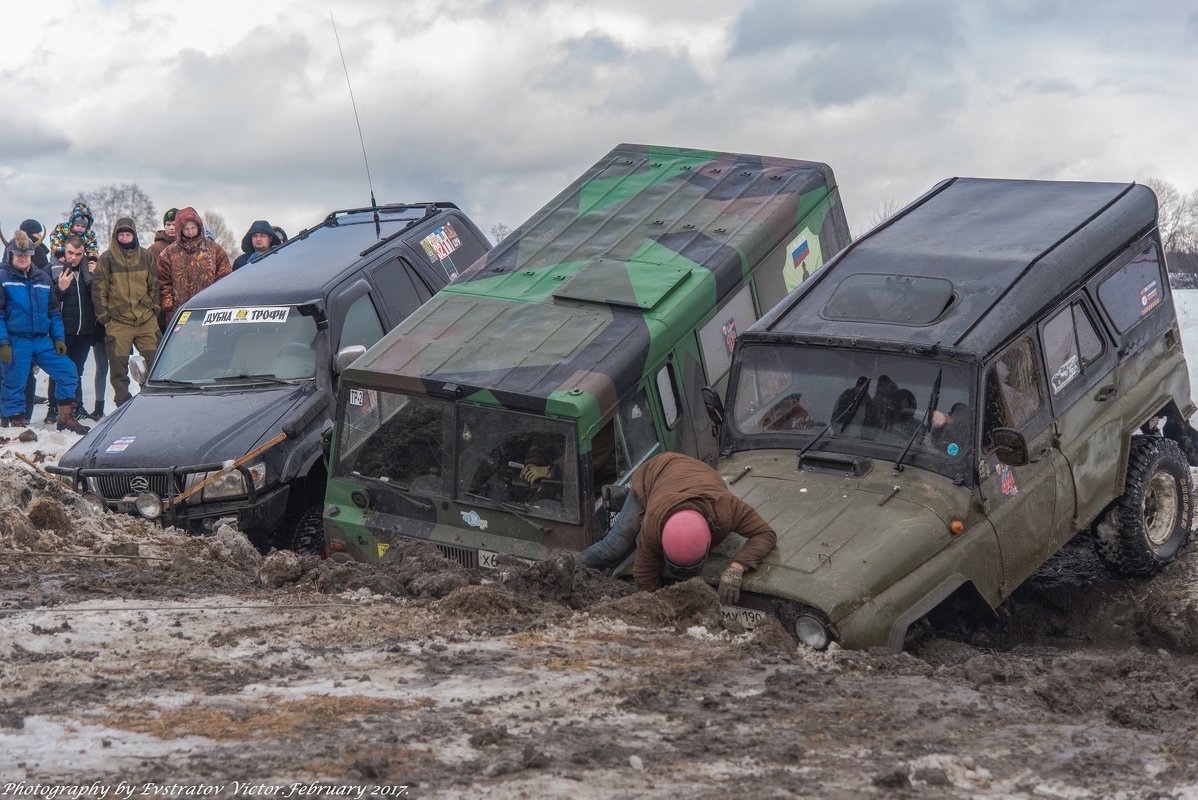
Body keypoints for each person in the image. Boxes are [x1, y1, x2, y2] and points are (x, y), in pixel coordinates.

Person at [577, 452, 776, 604]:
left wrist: (737, 567)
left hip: (698, 474)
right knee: (615, 545)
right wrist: (659, 605)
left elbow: (765, 533)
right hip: (656, 473)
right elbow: (645, 574)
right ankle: (570, 567)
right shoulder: (653, 523)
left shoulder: (726, 509)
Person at [0, 231, 89, 433]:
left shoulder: (42, 277)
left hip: (41, 340)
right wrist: (3, 342)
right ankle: (17, 425)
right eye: (18, 254)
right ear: (10, 254)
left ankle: (66, 417)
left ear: (32, 254)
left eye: (27, 254)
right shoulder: (2, 277)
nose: (22, 258)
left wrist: (58, 337)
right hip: (16, 340)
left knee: (68, 371)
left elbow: (54, 311)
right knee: (14, 381)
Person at [94, 218, 160, 407]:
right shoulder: (106, 259)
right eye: (121, 234)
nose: (124, 237)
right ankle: (122, 402)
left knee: (155, 361)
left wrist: (154, 308)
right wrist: (104, 317)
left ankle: (151, 400)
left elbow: (154, 284)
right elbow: (99, 290)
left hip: (145, 317)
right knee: (117, 365)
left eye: (128, 234)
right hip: (118, 320)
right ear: (116, 236)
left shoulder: (146, 256)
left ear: (134, 235)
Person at [46, 235, 97, 420]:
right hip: (62, 331)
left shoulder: (88, 271)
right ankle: (53, 408)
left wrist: (97, 275)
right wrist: (59, 288)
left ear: (84, 253)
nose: (73, 257)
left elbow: (97, 296)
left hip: (83, 330)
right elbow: (47, 304)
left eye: (78, 254)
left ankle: (78, 406)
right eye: (70, 253)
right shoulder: (51, 270)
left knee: (77, 370)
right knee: (59, 370)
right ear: (63, 250)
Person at [156, 207, 232, 325]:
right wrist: (169, 306)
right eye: (186, 229)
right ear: (180, 229)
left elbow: (224, 277)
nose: (190, 232)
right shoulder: (168, 254)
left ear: (199, 227)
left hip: (210, 310)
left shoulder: (215, 250)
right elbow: (163, 282)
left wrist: (218, 303)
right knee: (182, 343)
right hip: (179, 313)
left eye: (193, 228)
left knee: (210, 341)